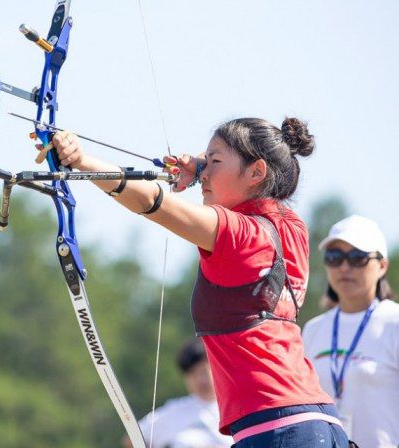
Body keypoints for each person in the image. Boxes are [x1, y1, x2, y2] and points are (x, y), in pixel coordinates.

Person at [52, 117, 350, 447]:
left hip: (277, 428)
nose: (205, 170)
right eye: (205, 161)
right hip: (318, 422)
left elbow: (151, 201)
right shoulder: (291, 225)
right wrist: (204, 170)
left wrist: (80, 161)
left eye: (215, 161)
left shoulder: (239, 234)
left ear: (256, 172)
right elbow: (247, 180)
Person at [302, 215, 399, 447]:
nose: (344, 267)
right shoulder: (313, 330)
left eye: (357, 258)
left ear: (382, 266)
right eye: (334, 257)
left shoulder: (394, 322)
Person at [123, 339, 233, 448]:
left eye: (204, 371)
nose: (200, 380)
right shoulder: (174, 410)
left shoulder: (235, 408)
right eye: (192, 374)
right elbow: (133, 439)